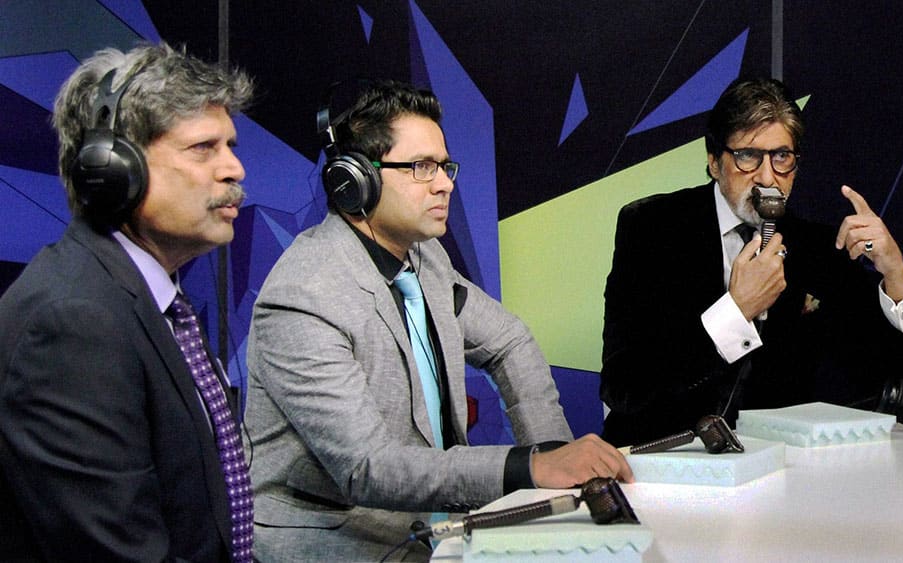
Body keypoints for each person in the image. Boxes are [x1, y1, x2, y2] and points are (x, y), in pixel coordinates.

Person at [244, 80, 633, 562]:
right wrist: (530, 468)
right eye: (421, 167)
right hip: (341, 542)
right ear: (354, 180)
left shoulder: (425, 259)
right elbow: (366, 468)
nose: (446, 183)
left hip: (435, 533)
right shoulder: (305, 297)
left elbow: (507, 340)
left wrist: (550, 451)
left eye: (444, 166)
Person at [0, 43, 255, 561]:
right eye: (203, 148)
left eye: (230, 145)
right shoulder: (73, 322)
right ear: (110, 168)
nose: (235, 169)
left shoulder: (154, 298)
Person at [600, 77, 903, 446]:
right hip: (667, 460)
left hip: (782, 470)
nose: (767, 177)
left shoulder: (819, 246)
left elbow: (897, 383)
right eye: (748, 156)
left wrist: (895, 275)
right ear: (713, 162)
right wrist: (735, 313)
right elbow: (624, 388)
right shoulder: (652, 227)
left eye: (781, 156)